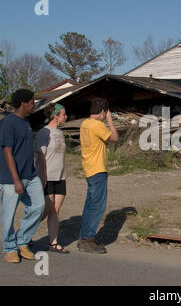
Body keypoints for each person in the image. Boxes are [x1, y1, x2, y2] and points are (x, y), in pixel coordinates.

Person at [0, 89, 45, 263]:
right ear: (23, 103)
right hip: (12, 178)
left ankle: (22, 240)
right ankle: (9, 248)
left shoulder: (25, 122)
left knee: (38, 206)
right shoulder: (9, 123)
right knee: (8, 214)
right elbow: (7, 152)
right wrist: (16, 180)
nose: (34, 104)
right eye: (32, 101)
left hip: (30, 175)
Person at [77, 98, 118, 254]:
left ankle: (85, 236)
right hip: (98, 169)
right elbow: (114, 138)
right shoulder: (97, 125)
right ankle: (87, 239)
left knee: (90, 205)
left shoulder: (85, 124)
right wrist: (109, 120)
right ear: (102, 111)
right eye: (105, 113)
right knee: (97, 206)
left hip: (89, 168)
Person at [35, 103, 69, 254]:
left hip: (60, 176)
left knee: (55, 209)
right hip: (47, 176)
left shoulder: (60, 132)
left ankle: (53, 243)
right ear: (55, 115)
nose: (66, 116)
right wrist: (43, 174)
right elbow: (40, 154)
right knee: (47, 209)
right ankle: (26, 233)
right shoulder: (44, 132)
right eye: (63, 114)